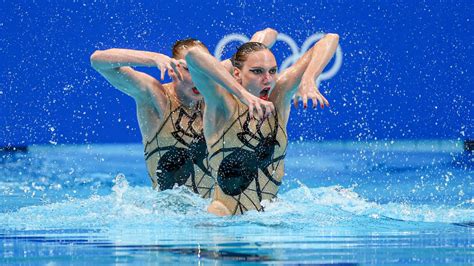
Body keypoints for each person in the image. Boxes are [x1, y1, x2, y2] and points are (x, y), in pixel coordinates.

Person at [89, 29, 278, 198]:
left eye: (198, 70)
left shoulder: (212, 87)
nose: (196, 78)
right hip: (168, 214)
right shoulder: (156, 98)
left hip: (211, 212)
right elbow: (98, 60)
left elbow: (268, 34)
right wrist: (153, 58)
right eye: (188, 70)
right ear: (173, 70)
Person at [183, 33, 339, 214]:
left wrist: (309, 78)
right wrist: (243, 94)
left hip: (269, 219)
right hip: (222, 219)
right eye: (257, 71)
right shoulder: (221, 103)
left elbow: (331, 39)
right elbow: (192, 56)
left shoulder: (278, 99)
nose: (267, 79)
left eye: (272, 71)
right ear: (237, 73)